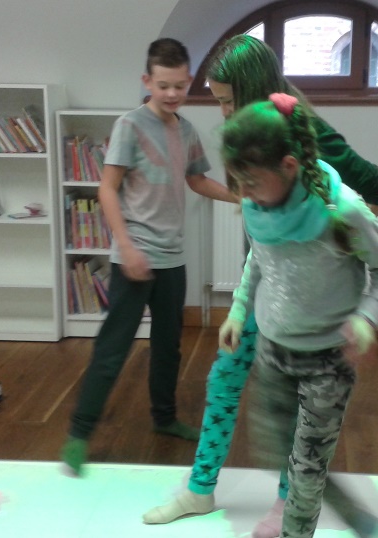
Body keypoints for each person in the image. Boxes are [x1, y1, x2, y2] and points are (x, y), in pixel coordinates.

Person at [143, 34, 378, 537]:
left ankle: (287, 505)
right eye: (217, 102)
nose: (222, 112)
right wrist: (244, 301)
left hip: (304, 305)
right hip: (264, 286)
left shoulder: (303, 134)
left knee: (301, 422)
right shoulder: (246, 140)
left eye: (228, 101)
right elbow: (258, 239)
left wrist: (331, 250)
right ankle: (200, 488)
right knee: (224, 380)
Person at [224, 94, 378, 536]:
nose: (243, 193)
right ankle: (355, 516)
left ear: (289, 166)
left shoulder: (344, 212)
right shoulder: (257, 206)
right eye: (237, 181)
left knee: (305, 470)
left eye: (251, 181)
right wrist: (239, 307)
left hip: (327, 362)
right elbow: (259, 257)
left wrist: (365, 319)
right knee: (275, 453)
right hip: (272, 353)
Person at [61, 37, 239, 476]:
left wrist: (240, 197)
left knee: (168, 347)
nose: (172, 93)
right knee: (113, 348)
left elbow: (197, 180)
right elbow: (107, 188)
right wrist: (125, 245)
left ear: (189, 80)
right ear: (147, 81)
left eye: (179, 85)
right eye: (163, 85)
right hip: (134, 257)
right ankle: (79, 435)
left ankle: (164, 418)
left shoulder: (187, 130)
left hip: (172, 258)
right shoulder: (130, 125)